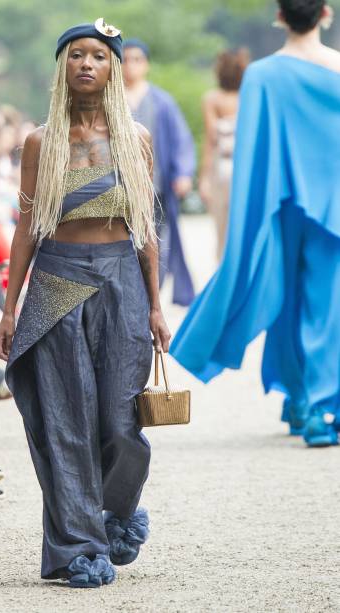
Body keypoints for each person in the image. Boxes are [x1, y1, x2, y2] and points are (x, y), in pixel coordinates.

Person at [0, 20, 171, 587]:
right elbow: (26, 225)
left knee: (122, 424)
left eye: (98, 55)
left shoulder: (135, 140)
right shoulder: (40, 142)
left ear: (114, 67)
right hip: (55, 280)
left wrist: (155, 305)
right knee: (64, 422)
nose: (87, 64)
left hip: (121, 278)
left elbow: (146, 228)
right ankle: (78, 548)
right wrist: (8, 306)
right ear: (63, 66)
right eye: (77, 55)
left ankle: (115, 513)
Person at [170, 0, 340, 448]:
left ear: (280, 17)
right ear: (326, 14)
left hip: (281, 203)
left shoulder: (262, 75)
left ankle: (301, 400)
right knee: (326, 305)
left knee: (284, 297)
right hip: (332, 204)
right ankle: (322, 406)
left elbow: (253, 151)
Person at [122, 39, 196, 305]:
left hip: (156, 186)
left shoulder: (162, 101)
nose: (130, 65)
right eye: (124, 60)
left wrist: (184, 172)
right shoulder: (112, 101)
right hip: (120, 188)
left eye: (137, 59)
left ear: (147, 64)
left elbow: (181, 140)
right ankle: (131, 293)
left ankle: (153, 290)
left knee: (157, 240)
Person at [199, 48, 250, 260]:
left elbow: (211, 140)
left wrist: (204, 178)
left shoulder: (212, 99)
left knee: (221, 230)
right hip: (245, 168)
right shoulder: (249, 96)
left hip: (222, 169)